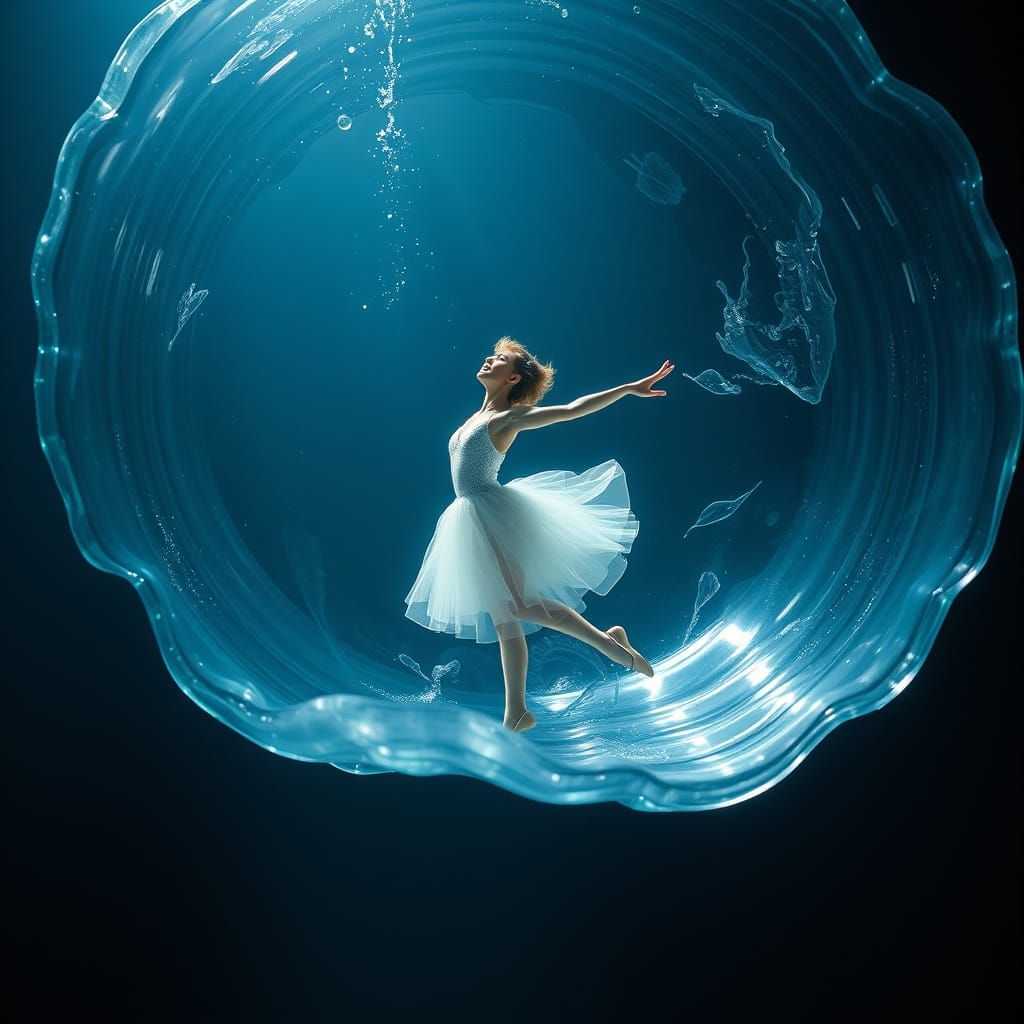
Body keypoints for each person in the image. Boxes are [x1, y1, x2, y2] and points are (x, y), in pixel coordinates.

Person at [404, 335, 674, 732]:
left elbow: (569, 410)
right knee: (504, 617)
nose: (488, 358)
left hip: (490, 513)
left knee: (518, 605)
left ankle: (615, 649)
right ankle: (516, 712)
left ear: (513, 379)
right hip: (470, 516)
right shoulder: (471, 421)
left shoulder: (506, 419)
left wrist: (629, 389)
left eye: (499, 359)